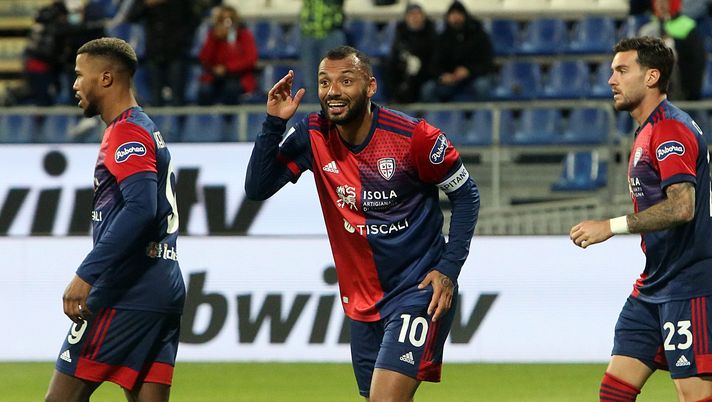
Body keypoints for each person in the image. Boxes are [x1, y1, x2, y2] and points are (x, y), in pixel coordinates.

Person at [245, 46, 480, 401]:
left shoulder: (414, 137)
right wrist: (273, 122)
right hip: (362, 302)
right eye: (324, 82)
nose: (333, 91)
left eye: (346, 80)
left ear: (370, 87)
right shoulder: (313, 134)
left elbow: (466, 195)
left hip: (417, 293)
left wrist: (448, 269)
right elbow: (257, 188)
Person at [570, 36, 712, 401]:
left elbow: (683, 207)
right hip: (654, 285)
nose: (611, 80)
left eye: (621, 70)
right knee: (615, 391)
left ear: (651, 77)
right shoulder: (647, 128)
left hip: (690, 283)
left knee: (694, 395)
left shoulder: (669, 129)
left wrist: (610, 227)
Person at [44, 37, 185, 402]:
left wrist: (86, 274)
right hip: (164, 285)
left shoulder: (126, 132)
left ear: (105, 78)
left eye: (80, 75)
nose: (74, 84)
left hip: (127, 289)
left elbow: (140, 210)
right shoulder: (146, 127)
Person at [127, 0, 206, 106]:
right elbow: (132, 16)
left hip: (177, 52)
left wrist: (182, 38)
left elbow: (195, 19)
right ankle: (156, 122)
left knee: (177, 98)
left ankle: (178, 122)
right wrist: (146, 4)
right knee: (155, 98)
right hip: (154, 51)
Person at [419, 0, 495, 102]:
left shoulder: (479, 36)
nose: (456, 17)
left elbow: (487, 62)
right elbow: (434, 65)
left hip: (474, 78)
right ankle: (436, 117)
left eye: (459, 13)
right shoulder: (442, 39)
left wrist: (469, 71)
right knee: (428, 88)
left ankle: (483, 117)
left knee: (482, 85)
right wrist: (442, 76)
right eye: (452, 14)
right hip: (450, 81)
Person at [197, 5, 258, 105]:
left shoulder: (244, 35)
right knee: (204, 90)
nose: (227, 23)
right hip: (215, 77)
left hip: (238, 77)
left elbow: (250, 59)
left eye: (230, 19)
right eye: (222, 19)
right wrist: (214, 39)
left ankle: (230, 120)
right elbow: (204, 59)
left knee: (231, 89)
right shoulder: (213, 37)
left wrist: (227, 68)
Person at [384, 3, 437, 103]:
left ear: (423, 17)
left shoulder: (432, 35)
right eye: (412, 15)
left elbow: (434, 61)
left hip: (425, 76)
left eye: (418, 14)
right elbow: (395, 58)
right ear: (406, 18)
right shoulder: (400, 34)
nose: (415, 18)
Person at [299, 0, 347, 104]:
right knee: (310, 81)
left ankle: (335, 116)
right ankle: (315, 117)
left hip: (332, 31)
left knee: (334, 78)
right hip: (308, 32)